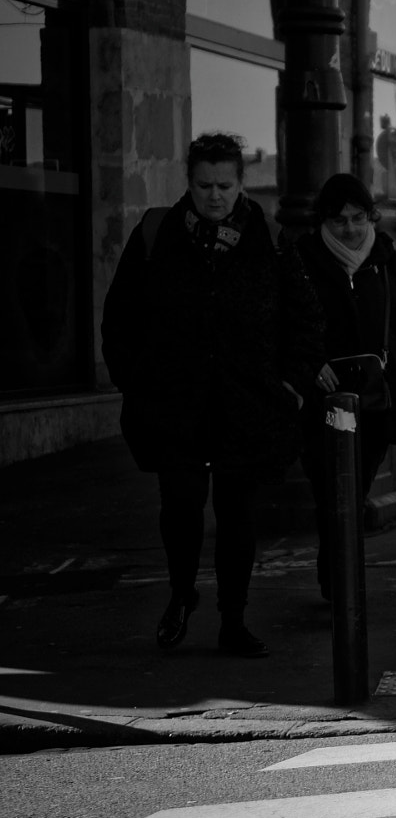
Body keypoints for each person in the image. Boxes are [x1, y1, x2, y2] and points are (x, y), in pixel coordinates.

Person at [101, 132, 324, 658]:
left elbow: (307, 318)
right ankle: (181, 593)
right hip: (173, 403)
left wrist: (290, 386)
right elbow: (120, 314)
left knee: (236, 515)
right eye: (205, 185)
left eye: (225, 185)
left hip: (247, 404)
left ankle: (233, 618)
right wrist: (133, 381)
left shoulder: (268, 238)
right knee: (179, 506)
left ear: (241, 182)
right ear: (190, 182)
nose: (215, 196)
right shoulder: (157, 233)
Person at [298, 174, 396, 601]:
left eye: (358, 218)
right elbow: (284, 324)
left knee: (353, 491)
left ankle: (340, 577)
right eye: (339, 220)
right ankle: (339, 581)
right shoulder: (301, 262)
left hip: (377, 400)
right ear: (323, 220)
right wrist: (308, 363)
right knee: (334, 490)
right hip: (329, 401)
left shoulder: (391, 263)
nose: (350, 229)